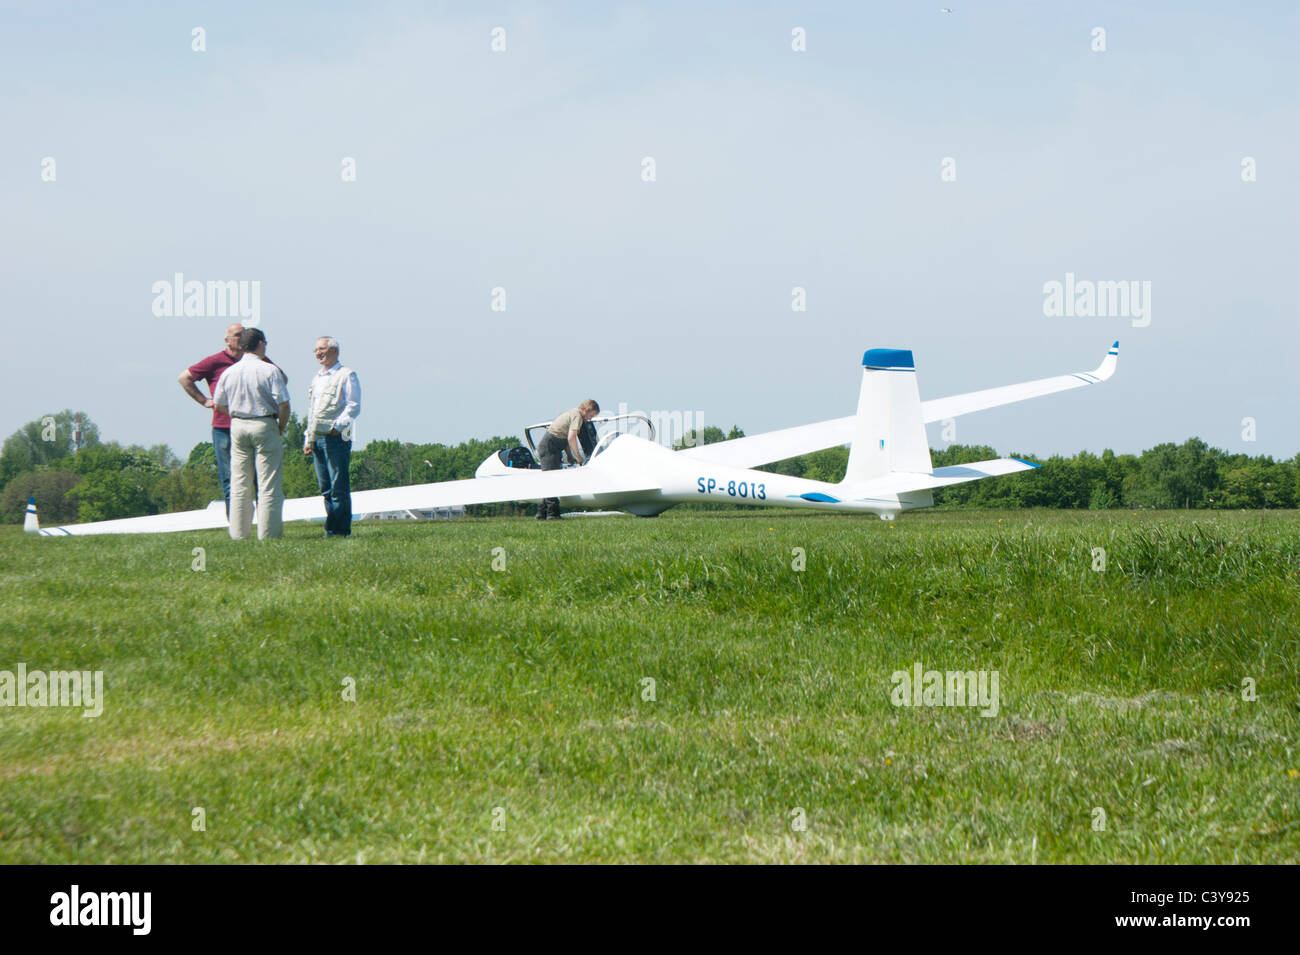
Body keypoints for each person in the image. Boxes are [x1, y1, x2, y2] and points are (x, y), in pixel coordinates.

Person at [178, 323, 287, 514]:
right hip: (224, 426)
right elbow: (184, 378)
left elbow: (282, 379)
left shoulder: (260, 360)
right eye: (237, 335)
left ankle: (264, 520)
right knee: (231, 477)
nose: (241, 337)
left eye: (243, 334)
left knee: (260, 476)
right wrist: (204, 400)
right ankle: (236, 522)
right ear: (227, 340)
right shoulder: (215, 361)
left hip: (255, 423)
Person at [212, 327, 291, 540]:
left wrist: (236, 415)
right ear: (260, 344)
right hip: (264, 422)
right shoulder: (269, 370)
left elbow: (218, 404)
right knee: (268, 483)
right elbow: (283, 404)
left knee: (239, 484)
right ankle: (269, 535)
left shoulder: (229, 372)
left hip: (237, 425)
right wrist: (281, 426)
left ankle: (239, 534)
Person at [303, 337, 361, 537]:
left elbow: (353, 406)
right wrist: (307, 438)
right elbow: (313, 411)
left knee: (338, 486)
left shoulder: (347, 374)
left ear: (335, 351)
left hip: (337, 436)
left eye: (323, 349)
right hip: (317, 437)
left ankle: (340, 529)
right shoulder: (317, 378)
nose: (319, 353)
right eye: (316, 350)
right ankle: (333, 528)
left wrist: (338, 426)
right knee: (325, 487)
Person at [534, 399, 599, 520]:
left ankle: (541, 513)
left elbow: (564, 438)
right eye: (591, 415)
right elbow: (571, 437)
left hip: (552, 447)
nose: (590, 419)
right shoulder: (578, 417)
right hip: (549, 447)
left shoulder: (573, 413)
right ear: (585, 410)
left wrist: (569, 455)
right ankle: (553, 514)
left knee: (550, 479)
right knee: (552, 479)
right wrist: (579, 458)